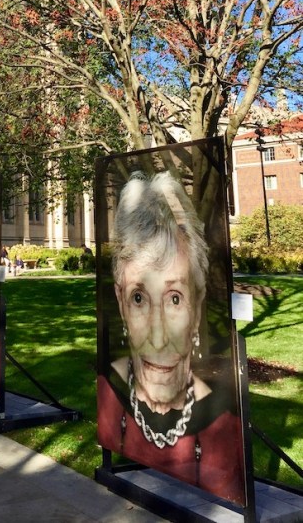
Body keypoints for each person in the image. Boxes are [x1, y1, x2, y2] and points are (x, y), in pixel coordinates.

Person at [98, 171, 245, 505]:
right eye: (139, 298)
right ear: (121, 302)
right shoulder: (108, 394)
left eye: (174, 298)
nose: (159, 336)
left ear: (197, 304)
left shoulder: (223, 428)